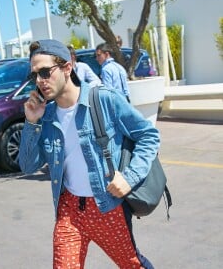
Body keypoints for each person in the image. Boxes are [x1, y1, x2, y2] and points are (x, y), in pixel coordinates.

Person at [19, 39, 160, 268]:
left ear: (67, 67)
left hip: (107, 206)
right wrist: (31, 122)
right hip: (69, 209)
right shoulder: (46, 116)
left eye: (45, 72)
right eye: (34, 75)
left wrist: (130, 177)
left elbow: (149, 136)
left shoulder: (103, 99)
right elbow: (27, 166)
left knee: (132, 264)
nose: (40, 81)